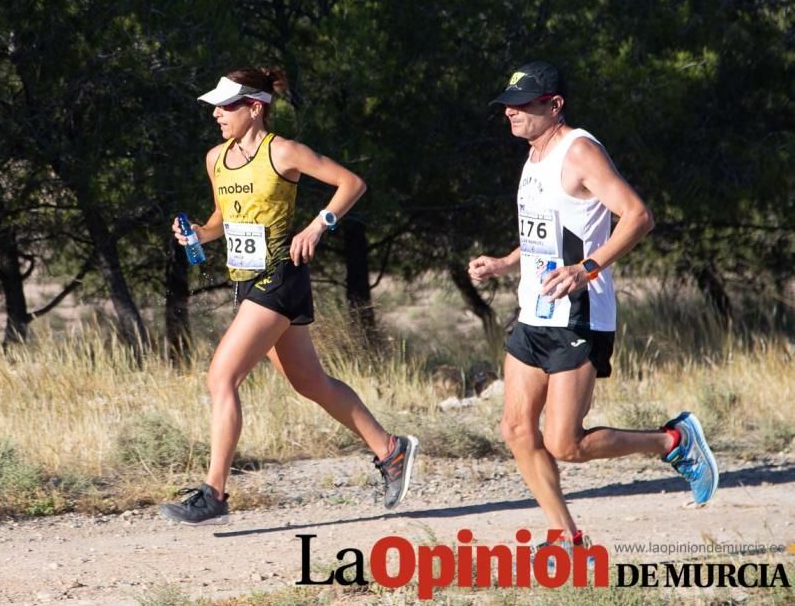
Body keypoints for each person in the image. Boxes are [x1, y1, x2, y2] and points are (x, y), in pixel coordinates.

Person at [468, 61, 718, 551]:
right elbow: (545, 233)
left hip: (579, 316)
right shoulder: (535, 155)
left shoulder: (579, 150)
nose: (511, 114)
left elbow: (638, 216)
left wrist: (588, 268)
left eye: (523, 106)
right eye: (508, 106)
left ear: (554, 105)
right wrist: (504, 262)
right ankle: (566, 537)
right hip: (535, 312)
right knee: (517, 429)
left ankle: (672, 441)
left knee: (566, 443)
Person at [161, 68, 418, 525]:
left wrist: (319, 225)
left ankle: (214, 494)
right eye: (216, 107)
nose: (217, 114)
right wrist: (198, 234)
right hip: (247, 282)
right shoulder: (215, 158)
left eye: (227, 106)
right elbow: (222, 218)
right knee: (309, 383)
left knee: (221, 378)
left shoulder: (284, 151)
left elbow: (352, 184)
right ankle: (391, 449)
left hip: (280, 276)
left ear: (255, 107)